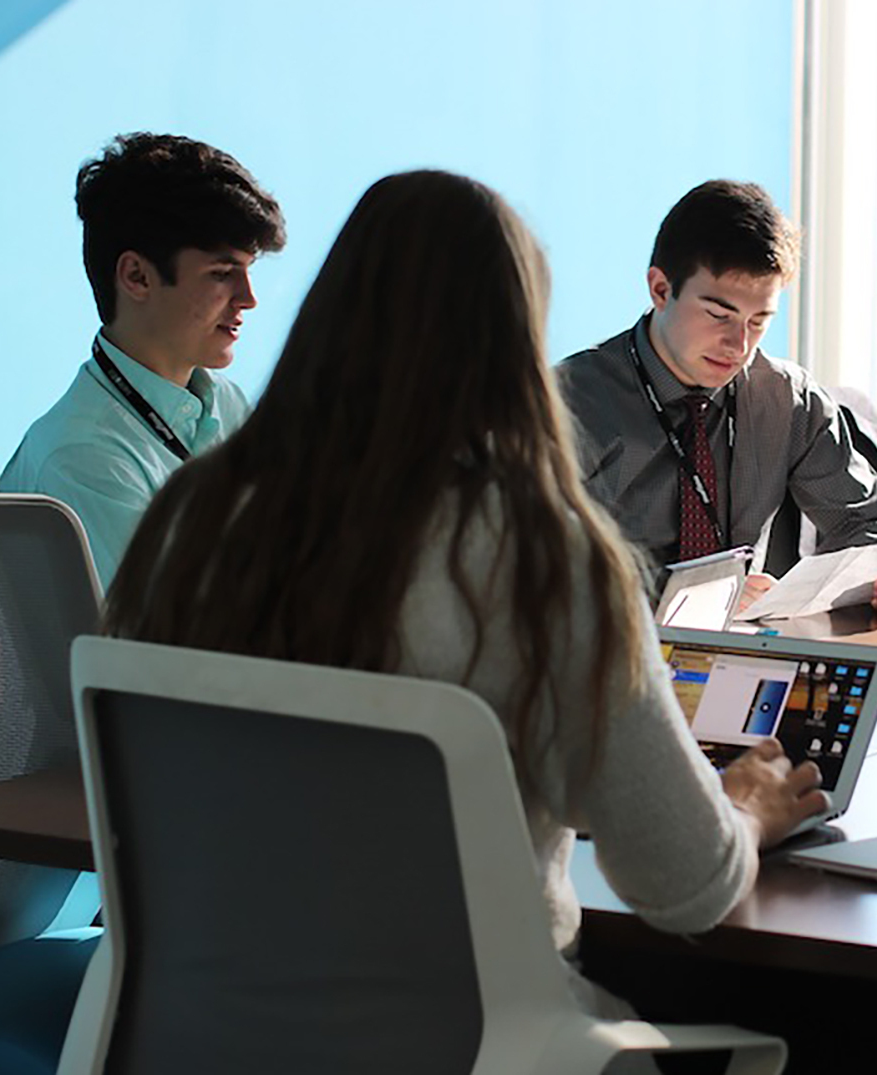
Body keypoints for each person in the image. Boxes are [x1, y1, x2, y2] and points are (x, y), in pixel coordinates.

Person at [102, 170, 826, 1014]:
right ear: (513, 344)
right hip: (464, 1036)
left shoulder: (189, 518)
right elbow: (686, 886)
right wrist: (748, 810)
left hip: (194, 1025)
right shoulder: (546, 560)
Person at [557, 180, 877, 615]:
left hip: (749, 655)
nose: (739, 345)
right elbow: (525, 566)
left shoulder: (786, 399)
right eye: (718, 315)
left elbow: (872, 526)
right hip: (615, 656)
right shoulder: (568, 401)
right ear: (660, 289)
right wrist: (684, 596)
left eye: (759, 321)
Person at [0, 132, 286, 588]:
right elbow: (167, 644)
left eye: (248, 272)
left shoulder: (223, 403)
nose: (248, 299)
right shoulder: (84, 457)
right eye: (222, 274)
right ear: (136, 276)